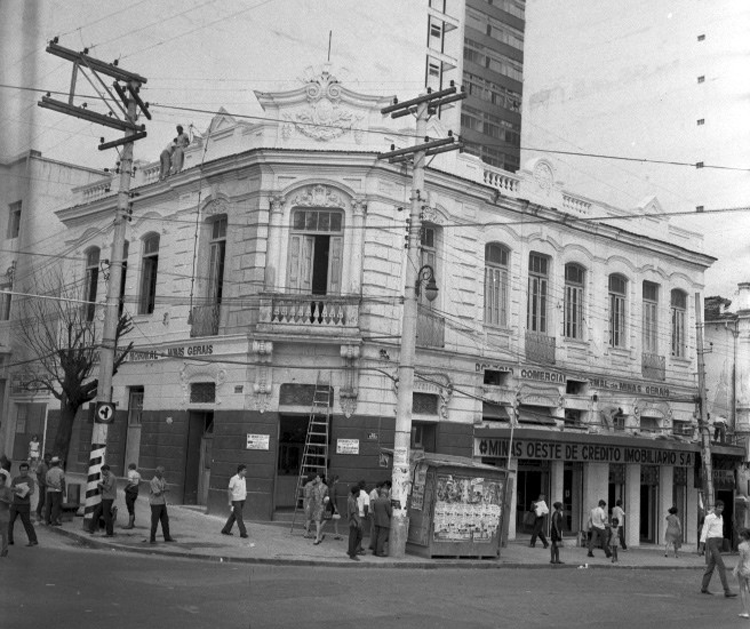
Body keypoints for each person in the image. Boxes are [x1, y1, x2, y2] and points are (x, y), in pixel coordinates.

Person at [700, 499, 736, 597]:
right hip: (712, 541)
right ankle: (727, 590)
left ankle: (704, 587)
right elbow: (704, 530)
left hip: (719, 542)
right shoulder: (709, 518)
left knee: (711, 566)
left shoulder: (721, 517)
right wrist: (701, 545)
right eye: (719, 507)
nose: (721, 509)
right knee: (721, 565)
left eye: (722, 508)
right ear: (715, 507)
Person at [8, 462, 38, 547]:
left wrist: (25, 490)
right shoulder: (16, 479)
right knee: (10, 521)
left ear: (28, 470)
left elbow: (32, 491)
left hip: (25, 504)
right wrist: (16, 489)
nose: (23, 472)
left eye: (25, 470)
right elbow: (10, 488)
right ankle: (9, 540)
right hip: (15, 503)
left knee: (26, 522)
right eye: (22, 470)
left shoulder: (30, 480)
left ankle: (33, 540)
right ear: (19, 470)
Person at [149, 466, 176, 544]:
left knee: (165, 521)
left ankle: (167, 537)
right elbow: (157, 493)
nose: (163, 473)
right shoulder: (153, 481)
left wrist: (163, 490)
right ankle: (152, 538)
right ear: (157, 472)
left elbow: (167, 487)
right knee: (155, 521)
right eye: (162, 471)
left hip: (162, 502)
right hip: (155, 503)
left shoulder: (162, 479)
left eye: (163, 471)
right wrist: (164, 490)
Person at [221, 464, 248, 538]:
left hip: (242, 499)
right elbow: (229, 490)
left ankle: (225, 530)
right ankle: (243, 532)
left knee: (234, 516)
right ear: (240, 471)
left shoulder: (244, 479)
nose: (246, 472)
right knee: (239, 516)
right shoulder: (233, 479)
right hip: (236, 500)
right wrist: (230, 501)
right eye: (244, 470)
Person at [89, 464, 117, 536]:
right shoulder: (108, 476)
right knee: (97, 512)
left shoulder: (111, 477)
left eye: (103, 472)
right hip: (105, 498)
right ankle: (91, 528)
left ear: (106, 470)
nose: (102, 473)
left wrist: (101, 485)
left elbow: (107, 488)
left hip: (108, 498)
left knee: (106, 515)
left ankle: (109, 532)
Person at [733, 528, 750, 618]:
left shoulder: (741, 546)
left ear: (743, 537)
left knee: (742, 590)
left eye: (740, 535)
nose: (739, 536)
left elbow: (741, 559)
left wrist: (736, 569)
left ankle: (745, 611)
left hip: (744, 569)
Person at [371, 486, 392, 557]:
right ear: (386, 494)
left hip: (377, 520)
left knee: (376, 536)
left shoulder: (376, 500)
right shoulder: (386, 501)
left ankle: (374, 551)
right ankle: (379, 552)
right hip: (384, 522)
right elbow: (390, 512)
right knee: (381, 538)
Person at [45, 456, 65, 526]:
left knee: (48, 505)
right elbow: (62, 481)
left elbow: (46, 482)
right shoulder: (61, 471)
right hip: (57, 490)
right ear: (58, 463)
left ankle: (47, 520)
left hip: (49, 490)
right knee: (55, 506)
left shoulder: (48, 472)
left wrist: (52, 486)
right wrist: (63, 490)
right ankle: (54, 521)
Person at [311, 472, 329, 545]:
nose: (316, 479)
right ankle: (318, 537)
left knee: (319, 522)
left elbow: (327, 496)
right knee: (317, 522)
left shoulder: (325, 487)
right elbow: (312, 497)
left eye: (317, 477)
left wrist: (326, 500)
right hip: (316, 507)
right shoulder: (314, 487)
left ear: (321, 479)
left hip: (323, 507)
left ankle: (318, 537)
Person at [123, 463, 141, 529]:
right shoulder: (138, 474)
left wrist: (127, 487)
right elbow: (140, 482)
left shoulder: (130, 473)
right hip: (136, 490)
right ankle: (132, 523)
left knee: (130, 507)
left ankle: (130, 524)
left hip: (131, 490)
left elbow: (130, 481)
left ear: (129, 467)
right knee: (132, 506)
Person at [347, 484, 362, 561]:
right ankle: (352, 554)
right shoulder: (352, 500)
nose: (360, 493)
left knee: (358, 536)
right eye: (359, 492)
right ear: (357, 492)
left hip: (355, 521)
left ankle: (351, 550)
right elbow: (353, 513)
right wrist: (358, 522)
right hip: (354, 522)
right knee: (354, 538)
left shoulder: (353, 499)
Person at [368, 481, 384, 552]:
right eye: (382, 488)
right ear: (379, 487)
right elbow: (372, 503)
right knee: (373, 529)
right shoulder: (373, 493)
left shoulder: (377, 493)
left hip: (375, 513)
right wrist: (374, 513)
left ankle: (373, 544)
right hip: (372, 513)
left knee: (374, 529)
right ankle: (372, 545)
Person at [356, 480, 370, 554]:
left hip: (356, 515)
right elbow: (365, 507)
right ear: (364, 486)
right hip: (361, 515)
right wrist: (366, 514)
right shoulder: (366, 495)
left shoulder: (356, 493)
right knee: (360, 533)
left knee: (356, 533)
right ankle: (358, 549)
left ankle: (358, 547)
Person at [327, 474, 343, 540]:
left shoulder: (331, 487)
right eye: (337, 479)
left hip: (330, 506)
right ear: (335, 480)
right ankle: (318, 533)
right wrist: (335, 508)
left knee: (336, 520)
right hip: (331, 506)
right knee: (326, 520)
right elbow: (333, 498)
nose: (338, 481)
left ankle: (336, 534)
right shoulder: (333, 488)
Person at [35, 453, 50, 521]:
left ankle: (42, 513)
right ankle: (38, 513)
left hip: (47, 485)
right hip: (42, 485)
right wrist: (42, 482)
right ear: (45, 458)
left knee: (46, 500)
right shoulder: (41, 465)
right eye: (47, 458)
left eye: (49, 458)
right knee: (42, 499)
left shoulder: (49, 466)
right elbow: (38, 475)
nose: (48, 459)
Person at [0, 474, 12, 557]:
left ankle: (4, 550)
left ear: (4, 481)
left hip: (4, 513)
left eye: (0, 480)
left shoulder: (7, 490)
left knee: (4, 533)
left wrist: (1, 499)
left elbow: (11, 501)